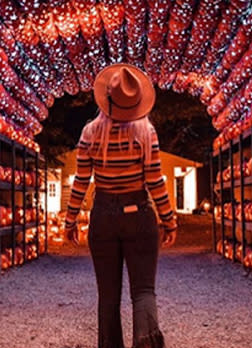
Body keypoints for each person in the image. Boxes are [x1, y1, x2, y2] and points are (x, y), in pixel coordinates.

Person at [64, 63, 178, 348]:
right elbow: (155, 180)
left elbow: (81, 181)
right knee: (143, 291)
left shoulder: (90, 132)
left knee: (108, 295)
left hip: (102, 217)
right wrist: (168, 219)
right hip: (139, 214)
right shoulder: (145, 132)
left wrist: (70, 219)